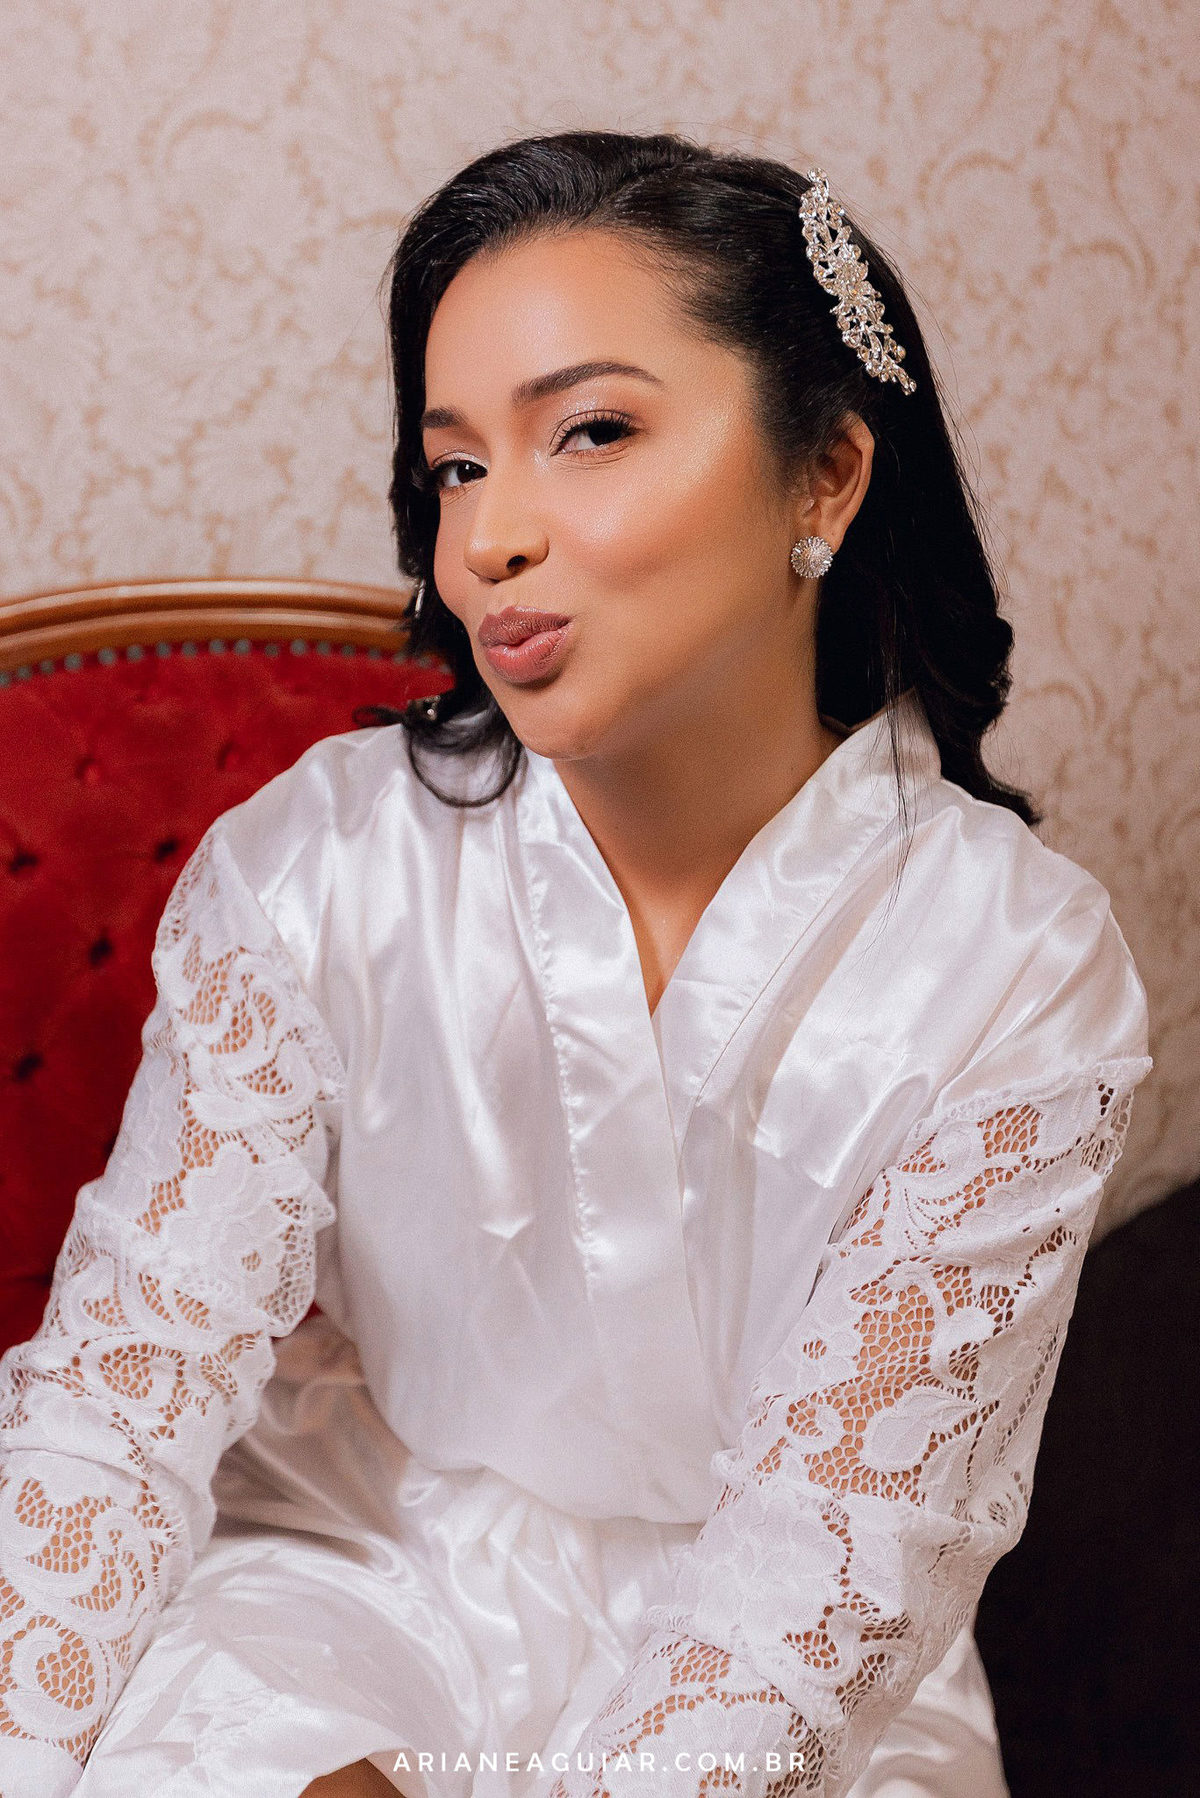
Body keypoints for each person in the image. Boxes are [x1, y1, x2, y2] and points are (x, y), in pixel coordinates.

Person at [0, 131, 1151, 1798]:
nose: (489, 537)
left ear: (826, 476)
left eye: (591, 431)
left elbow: (830, 1564)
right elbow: (127, 1390)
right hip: (354, 1571)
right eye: (457, 467)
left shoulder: (1019, 968)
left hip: (801, 1667)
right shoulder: (319, 864)